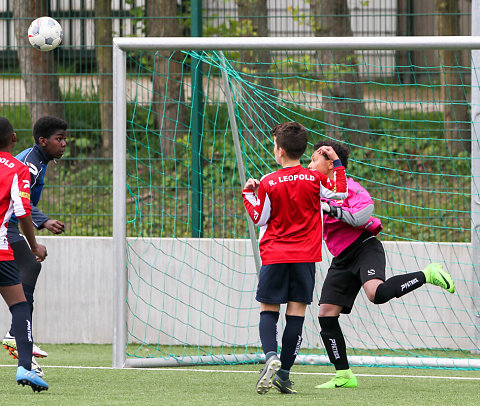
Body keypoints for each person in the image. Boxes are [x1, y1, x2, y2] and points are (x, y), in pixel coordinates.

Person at [307, 139, 455, 389]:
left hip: (365, 247)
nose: (310, 164)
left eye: (314, 160)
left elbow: (363, 214)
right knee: (326, 315)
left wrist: (331, 210)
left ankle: (428, 274)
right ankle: (344, 375)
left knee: (376, 294)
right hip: (341, 258)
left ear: (331, 163)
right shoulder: (318, 189)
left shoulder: (350, 187)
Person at [242, 122, 348, 395]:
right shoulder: (315, 179)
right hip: (305, 257)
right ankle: (285, 373)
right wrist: (336, 162)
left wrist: (247, 194)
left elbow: (259, 217)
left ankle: (270, 356)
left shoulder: (268, 181)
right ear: (302, 151)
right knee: (296, 313)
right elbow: (340, 193)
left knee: (268, 309)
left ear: (279, 151)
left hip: (275, 255)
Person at [2, 116, 67, 377]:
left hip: (10, 225)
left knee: (30, 268)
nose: (63, 144)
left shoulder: (38, 160)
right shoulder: (29, 165)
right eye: (58, 139)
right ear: (43, 141)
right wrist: (43, 223)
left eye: (64, 139)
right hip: (7, 226)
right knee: (30, 264)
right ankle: (15, 335)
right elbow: (21, 203)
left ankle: (16, 334)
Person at [0, 117, 49, 392]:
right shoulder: (17, 168)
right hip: (1, 249)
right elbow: (22, 211)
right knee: (19, 306)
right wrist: (34, 246)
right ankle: (25, 367)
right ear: (14, 138)